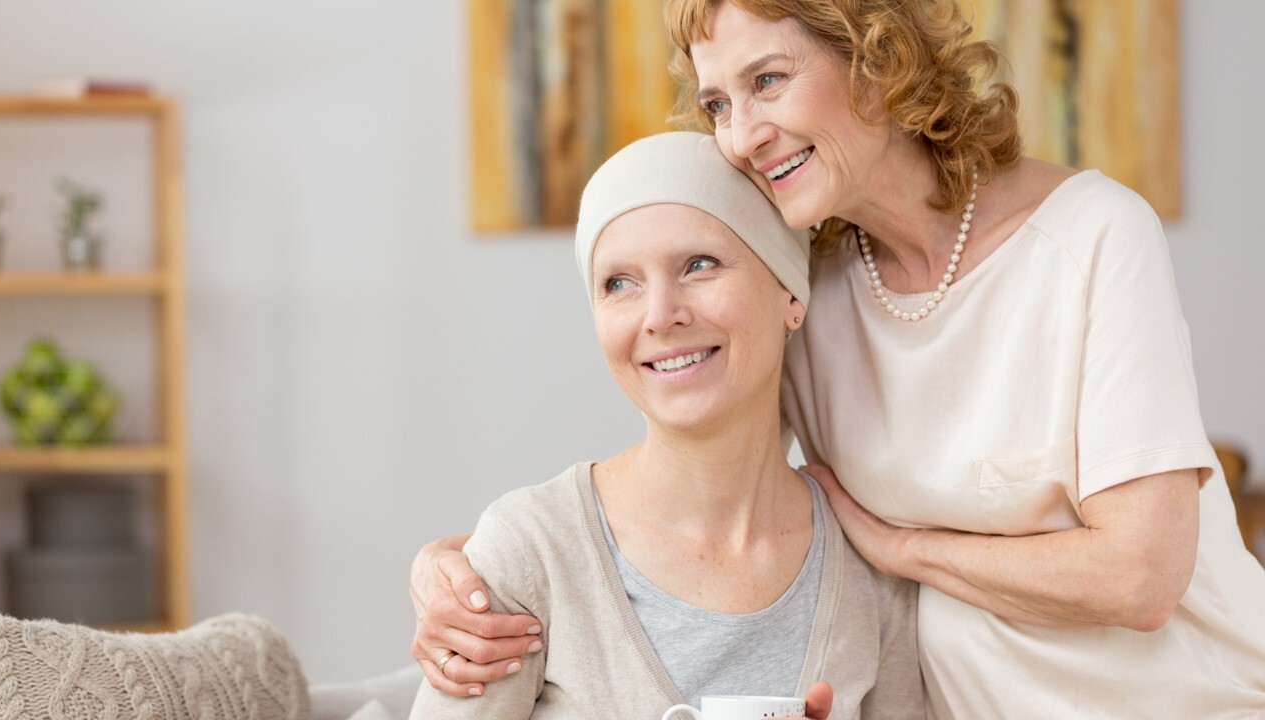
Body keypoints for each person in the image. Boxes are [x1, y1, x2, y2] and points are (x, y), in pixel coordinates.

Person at [411, 1, 1265, 717]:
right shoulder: (810, 287)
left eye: (767, 81)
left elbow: (1143, 576)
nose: (741, 135)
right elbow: (686, 485)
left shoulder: (1091, 237)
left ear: (877, 58)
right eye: (716, 104)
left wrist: (905, 551)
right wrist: (463, 569)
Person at [408, 131, 925, 720]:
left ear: (790, 294)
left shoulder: (870, 565)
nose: (659, 316)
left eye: (699, 265)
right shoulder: (530, 552)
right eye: (618, 284)